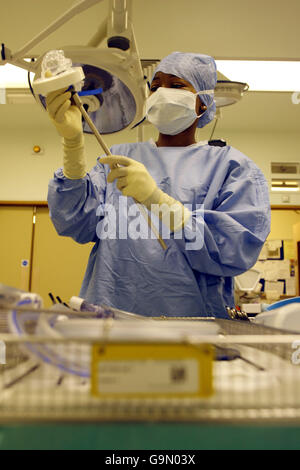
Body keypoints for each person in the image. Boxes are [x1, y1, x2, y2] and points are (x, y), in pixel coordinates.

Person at [47, 52, 270, 318]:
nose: (162, 93)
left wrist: (158, 201)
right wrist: (73, 145)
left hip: (193, 329)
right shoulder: (118, 158)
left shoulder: (231, 168)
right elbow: (73, 221)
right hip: (109, 324)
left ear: (203, 103)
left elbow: (234, 251)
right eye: (155, 87)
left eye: (176, 86)